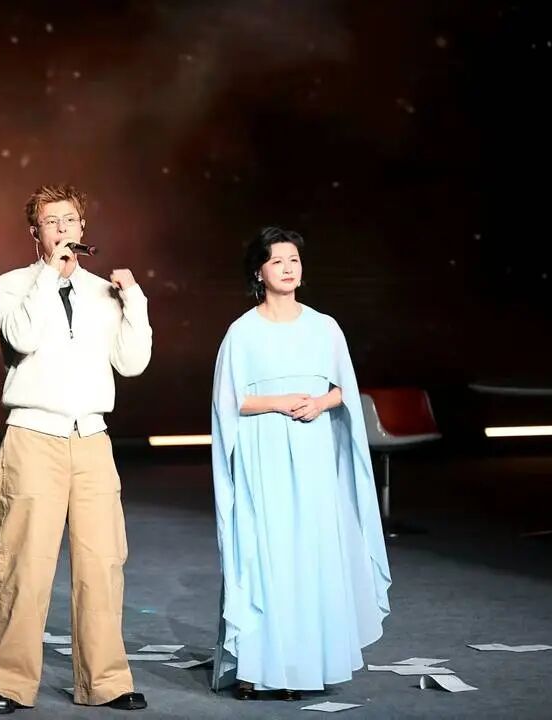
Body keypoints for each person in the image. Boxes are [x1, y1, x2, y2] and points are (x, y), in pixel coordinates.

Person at [0, 183, 153, 715]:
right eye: (51, 222)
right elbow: (23, 338)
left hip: (92, 439)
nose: (62, 230)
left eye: (70, 220)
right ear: (35, 232)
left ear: (83, 228)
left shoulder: (103, 291)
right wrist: (48, 278)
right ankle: (6, 683)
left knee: (103, 563)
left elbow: (132, 363)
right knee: (25, 564)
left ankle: (106, 681)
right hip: (34, 436)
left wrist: (134, 302)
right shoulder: (12, 285)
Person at [210, 226, 391, 699]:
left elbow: (344, 389)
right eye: (277, 261)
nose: (288, 268)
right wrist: (278, 401)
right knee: (267, 553)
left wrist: (320, 402)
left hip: (312, 452)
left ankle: (303, 668)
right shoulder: (242, 332)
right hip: (264, 452)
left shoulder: (324, 327)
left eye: (294, 260)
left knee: (309, 555)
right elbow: (230, 402)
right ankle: (258, 669)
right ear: (259, 271)